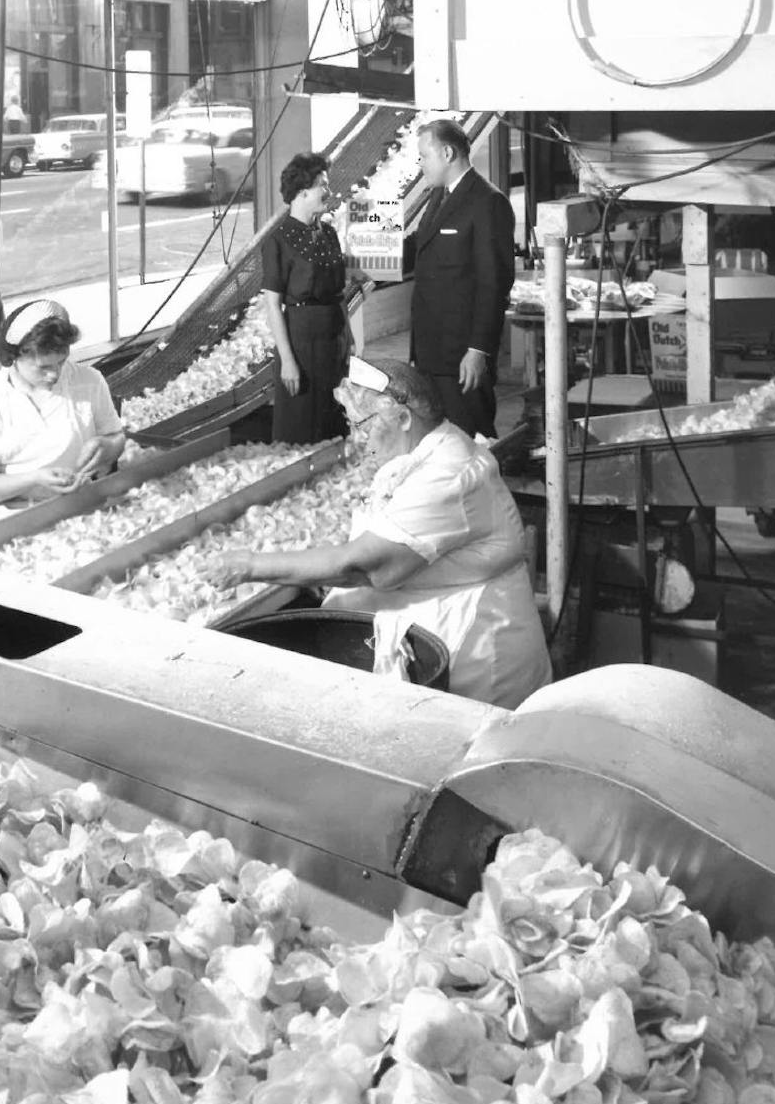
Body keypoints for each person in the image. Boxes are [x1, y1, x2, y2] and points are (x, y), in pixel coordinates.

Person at [202, 357, 551, 708]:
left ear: (402, 419)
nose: (358, 439)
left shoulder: (447, 474)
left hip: (477, 658)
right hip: (443, 633)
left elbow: (370, 568)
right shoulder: (426, 451)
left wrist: (248, 565)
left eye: (364, 426)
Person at [0, 298, 128, 535]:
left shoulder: (89, 381)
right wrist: (34, 479)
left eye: (61, 362)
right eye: (43, 367)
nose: (54, 374)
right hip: (2, 520)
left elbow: (116, 437)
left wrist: (107, 446)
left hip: (71, 515)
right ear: (13, 357)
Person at [409, 118, 516, 438]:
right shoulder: (438, 196)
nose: (421, 164)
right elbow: (422, 249)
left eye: (424, 156)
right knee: (441, 444)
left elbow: (493, 284)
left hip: (461, 355)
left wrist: (478, 350)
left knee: (473, 439)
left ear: (446, 153)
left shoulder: (487, 202)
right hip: (431, 350)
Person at [260, 151, 352, 443]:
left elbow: (337, 293)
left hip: (333, 339)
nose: (328, 191)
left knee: (335, 418)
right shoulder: (278, 240)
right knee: (302, 425)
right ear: (301, 193)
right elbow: (273, 305)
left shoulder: (328, 233)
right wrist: (287, 361)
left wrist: (347, 339)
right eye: (322, 185)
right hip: (302, 342)